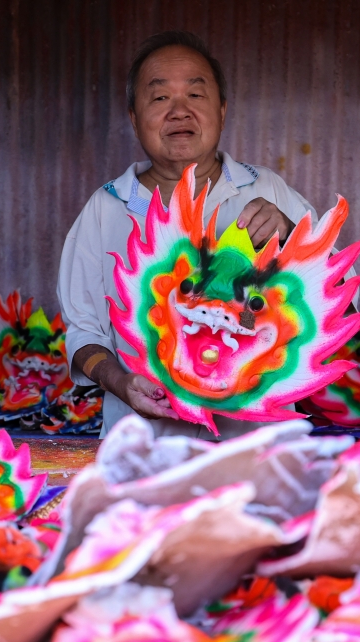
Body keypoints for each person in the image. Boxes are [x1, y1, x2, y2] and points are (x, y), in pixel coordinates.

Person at [58, 31, 322, 439]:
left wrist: (290, 236)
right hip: (144, 448)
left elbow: (344, 302)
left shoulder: (266, 189)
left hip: (254, 451)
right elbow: (83, 331)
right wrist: (119, 382)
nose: (179, 112)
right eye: (160, 97)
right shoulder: (106, 208)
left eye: (196, 96)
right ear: (133, 117)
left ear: (222, 109)